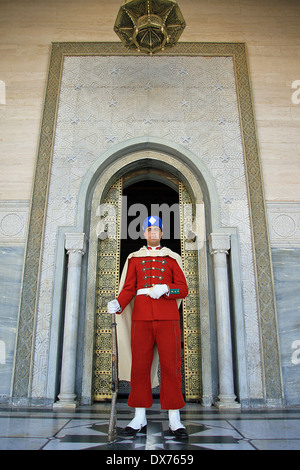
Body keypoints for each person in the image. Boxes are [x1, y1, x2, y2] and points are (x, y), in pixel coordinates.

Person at [107, 216, 189, 439]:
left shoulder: (172, 259)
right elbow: (129, 288)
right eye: (149, 230)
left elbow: (183, 289)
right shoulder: (134, 259)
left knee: (171, 367)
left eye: (157, 230)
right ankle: (139, 416)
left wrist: (165, 288)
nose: (153, 233)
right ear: (144, 234)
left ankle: (174, 419)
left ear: (162, 234)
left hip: (167, 318)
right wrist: (119, 303)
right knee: (140, 367)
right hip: (141, 319)